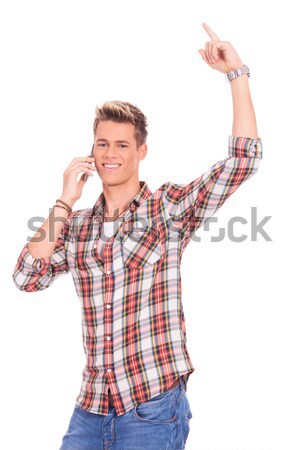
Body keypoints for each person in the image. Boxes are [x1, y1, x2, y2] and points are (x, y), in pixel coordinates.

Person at [12, 22, 263, 450]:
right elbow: (26, 276)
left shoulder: (168, 208)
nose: (110, 154)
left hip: (150, 406)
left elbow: (242, 161)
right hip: (90, 408)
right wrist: (63, 202)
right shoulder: (76, 228)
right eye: (102, 144)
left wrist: (235, 74)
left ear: (140, 151)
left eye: (122, 145)